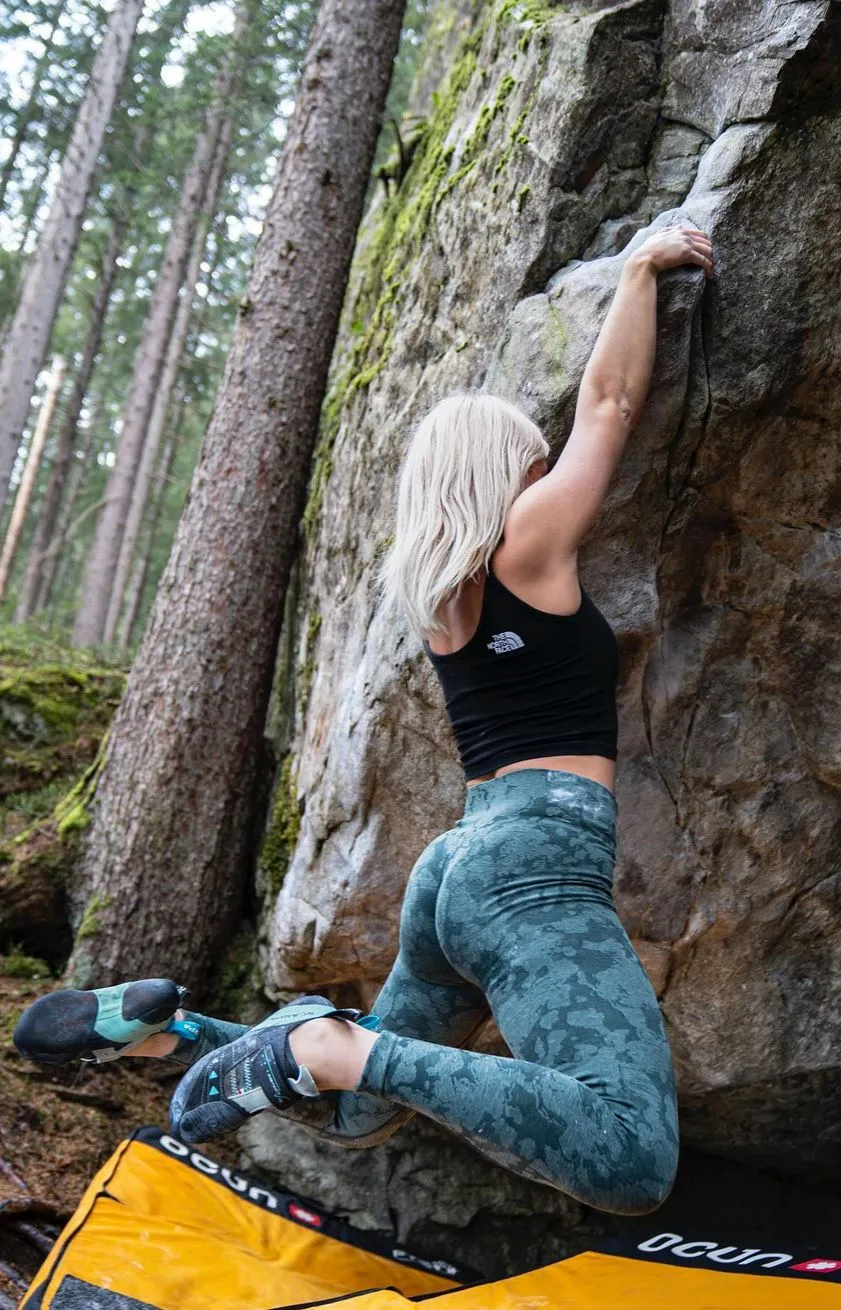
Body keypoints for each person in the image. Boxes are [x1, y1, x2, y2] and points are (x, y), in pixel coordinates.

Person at [15, 223, 715, 1215]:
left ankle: (171, 1033)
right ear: (501, 476)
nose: (544, 470)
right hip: (535, 867)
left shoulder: (436, 595)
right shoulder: (523, 548)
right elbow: (609, 404)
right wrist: (641, 268)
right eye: (529, 459)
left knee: (359, 1108)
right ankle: (323, 1042)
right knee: (627, 1152)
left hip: (458, 875)